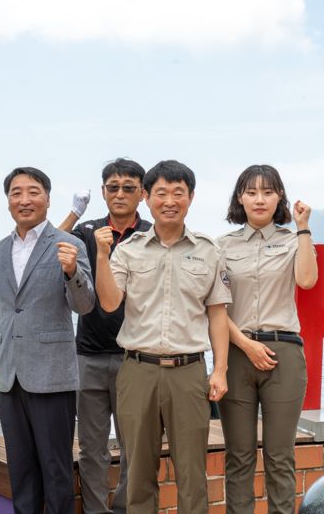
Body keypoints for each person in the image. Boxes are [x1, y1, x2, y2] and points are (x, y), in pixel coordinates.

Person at [94, 160, 231, 514]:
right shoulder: (129, 249)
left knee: (192, 473)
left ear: (191, 197)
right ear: (147, 197)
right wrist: (102, 256)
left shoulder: (208, 250)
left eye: (178, 193)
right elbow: (109, 303)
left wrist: (220, 371)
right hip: (138, 371)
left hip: (188, 372)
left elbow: (217, 313)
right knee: (138, 471)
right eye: (161, 193)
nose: (169, 200)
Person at [0, 166, 95, 514]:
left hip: (52, 376)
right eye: (16, 193)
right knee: (20, 469)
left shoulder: (70, 245)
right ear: (8, 202)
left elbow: (85, 305)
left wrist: (72, 272)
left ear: (47, 198)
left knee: (56, 469)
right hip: (9, 375)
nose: (24, 199)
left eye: (33, 191)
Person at [217, 165, 317, 513]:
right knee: (239, 456)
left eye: (268, 192)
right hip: (236, 353)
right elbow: (214, 309)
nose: (260, 199)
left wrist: (303, 228)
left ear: (279, 198)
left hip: (284, 354)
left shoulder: (293, 241)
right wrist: (246, 345)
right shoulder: (222, 246)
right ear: (240, 198)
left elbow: (306, 280)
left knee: (279, 456)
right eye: (252, 192)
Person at [70, 158, 150, 514]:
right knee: (92, 447)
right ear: (102, 192)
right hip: (87, 356)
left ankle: (124, 510)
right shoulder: (88, 231)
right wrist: (73, 214)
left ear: (142, 193)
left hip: (135, 356)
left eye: (129, 187)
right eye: (113, 187)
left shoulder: (152, 233)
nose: (120, 194)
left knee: (136, 445)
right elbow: (46, 252)